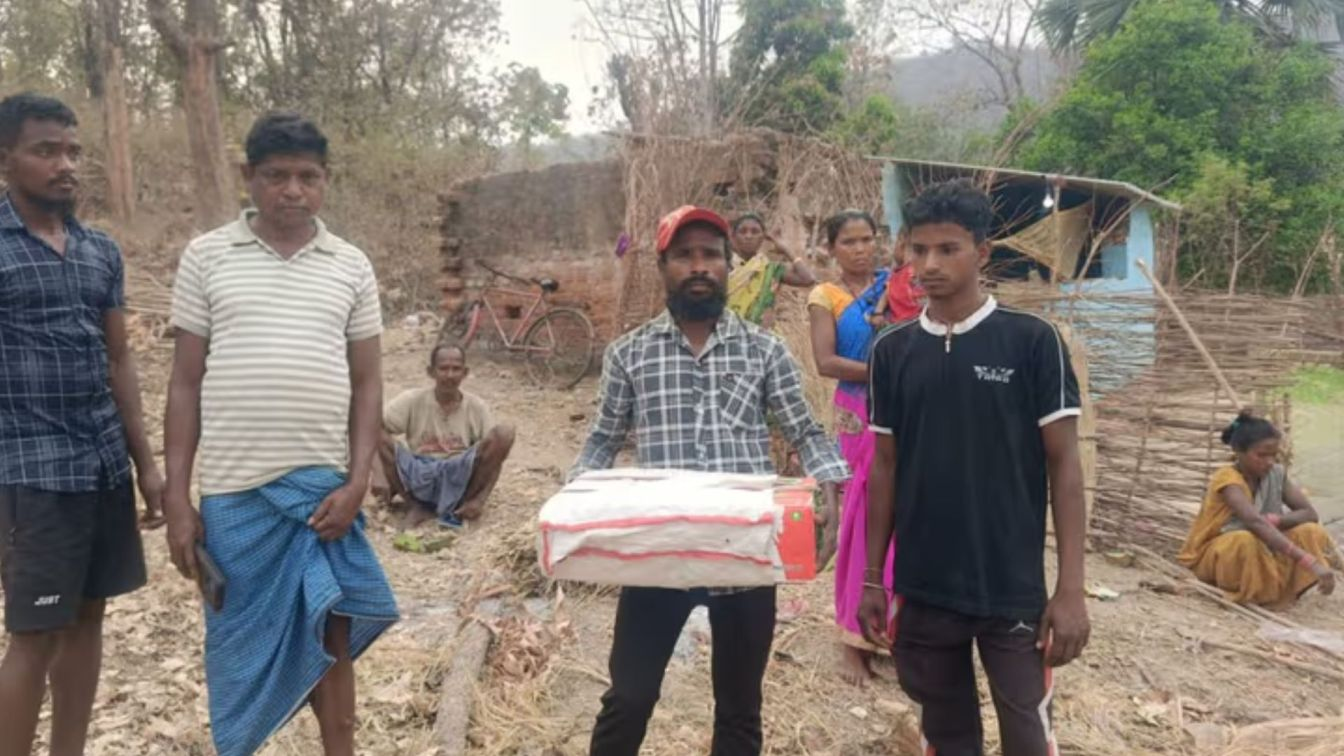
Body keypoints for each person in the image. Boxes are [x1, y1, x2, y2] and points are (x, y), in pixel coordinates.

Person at [573, 205, 849, 756]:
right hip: (658, 552)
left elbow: (805, 431)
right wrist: (576, 500)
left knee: (740, 710)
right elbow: (602, 441)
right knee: (628, 697)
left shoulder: (764, 350)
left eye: (710, 255)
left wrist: (831, 487)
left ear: (728, 265)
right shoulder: (629, 354)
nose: (699, 266)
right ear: (663, 267)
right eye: (684, 255)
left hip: (744, 552)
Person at [163, 112, 399, 756]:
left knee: (332, 632)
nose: (292, 190)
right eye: (276, 176)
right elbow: (184, 383)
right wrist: (177, 498)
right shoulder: (208, 256)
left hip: (322, 494)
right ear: (249, 176)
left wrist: (358, 481)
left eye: (307, 177)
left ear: (326, 180)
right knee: (237, 646)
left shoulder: (350, 265)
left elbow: (368, 384)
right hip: (234, 493)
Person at [860, 179, 1090, 756]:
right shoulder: (892, 351)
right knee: (948, 737)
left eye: (948, 249)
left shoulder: (1032, 341)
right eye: (919, 250)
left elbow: (1065, 468)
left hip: (1010, 588)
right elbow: (883, 468)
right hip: (924, 585)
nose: (929, 265)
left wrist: (1071, 590)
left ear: (982, 253)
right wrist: (872, 578)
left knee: (1028, 736)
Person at [0, 92, 164, 756]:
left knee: (89, 618)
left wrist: (146, 465)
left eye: (72, 152)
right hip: (30, 472)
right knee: (34, 634)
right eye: (46, 151)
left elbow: (119, 359)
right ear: (6, 159)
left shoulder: (99, 251)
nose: (65, 165)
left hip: (101, 465)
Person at [805, 209, 895, 686]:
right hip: (857, 412)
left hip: (900, 409)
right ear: (831, 249)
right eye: (849, 242)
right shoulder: (827, 296)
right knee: (861, 517)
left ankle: (890, 629)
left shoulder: (895, 285)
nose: (860, 249)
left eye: (866, 239)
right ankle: (851, 640)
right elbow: (826, 362)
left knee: (898, 517)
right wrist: (887, 371)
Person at [1178, 411, 1339, 608]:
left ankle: (1282, 591)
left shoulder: (1275, 474)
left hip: (1264, 546)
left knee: (1311, 531)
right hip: (1218, 555)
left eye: (1273, 455)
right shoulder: (1227, 479)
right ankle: (1245, 591)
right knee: (1242, 540)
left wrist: (1275, 520)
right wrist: (1310, 562)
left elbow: (1309, 514)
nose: (1269, 461)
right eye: (1261, 455)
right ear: (1239, 451)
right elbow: (1253, 522)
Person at [377, 343, 516, 528]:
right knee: (375, 432)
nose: (450, 375)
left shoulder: (477, 407)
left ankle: (460, 504)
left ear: (465, 373)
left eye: (456, 369)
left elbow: (494, 460)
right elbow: (371, 427)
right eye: (443, 368)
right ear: (431, 372)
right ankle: (415, 505)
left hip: (459, 473)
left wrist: (480, 500)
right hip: (418, 472)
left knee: (504, 433)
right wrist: (378, 473)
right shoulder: (412, 400)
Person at [726, 212, 816, 327]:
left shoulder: (771, 270)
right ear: (733, 237)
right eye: (742, 231)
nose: (748, 236)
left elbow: (808, 279)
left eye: (755, 232)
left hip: (761, 335)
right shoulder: (723, 265)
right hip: (727, 331)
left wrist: (786, 250)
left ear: (763, 237)